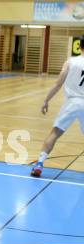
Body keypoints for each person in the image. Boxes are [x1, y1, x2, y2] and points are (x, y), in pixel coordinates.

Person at [31, 35, 84, 177]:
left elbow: (58, 83)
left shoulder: (71, 62)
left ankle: (40, 164)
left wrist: (46, 100)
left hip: (72, 103)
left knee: (54, 133)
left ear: (79, 47)